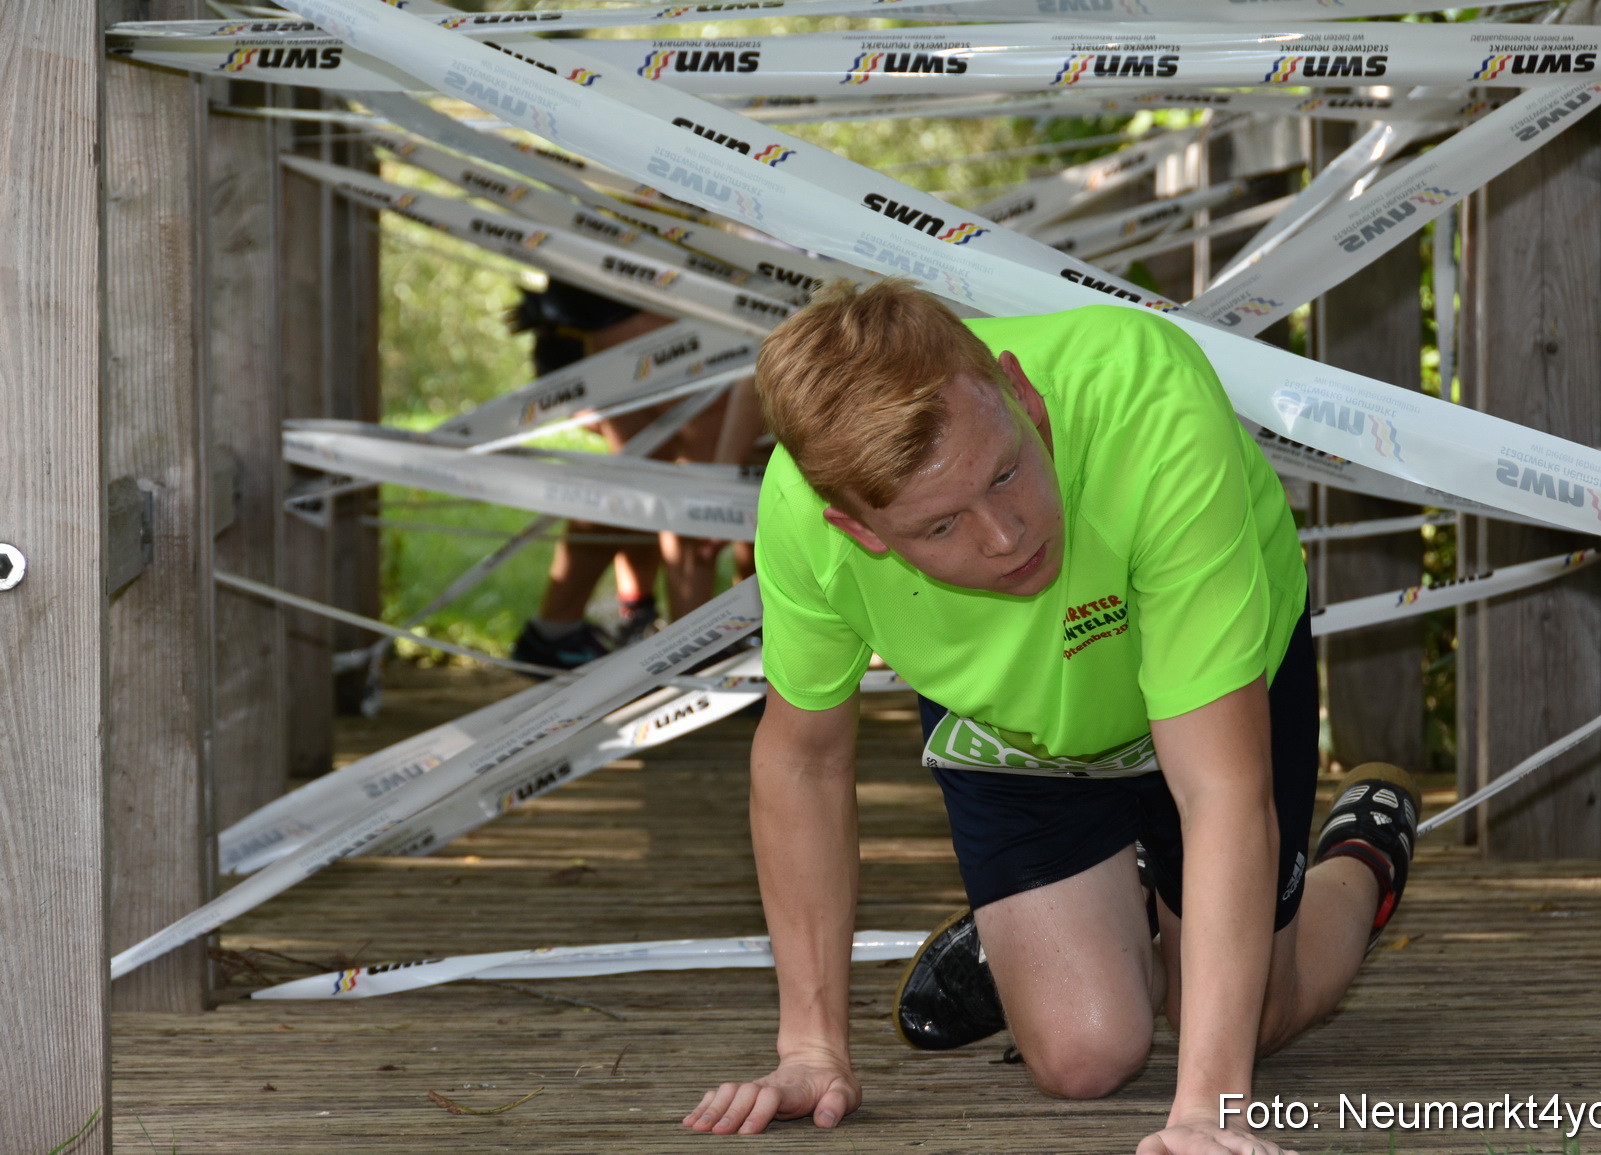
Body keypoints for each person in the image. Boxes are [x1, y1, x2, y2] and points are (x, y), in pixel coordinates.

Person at [682, 280, 1419, 1155]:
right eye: (941, 526)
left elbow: (1221, 791)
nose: (1006, 536)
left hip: (1201, 692)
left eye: (1006, 471)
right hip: (1016, 721)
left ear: (1021, 394)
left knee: (1247, 1017)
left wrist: (1210, 1111)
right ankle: (1110, 920)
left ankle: (1361, 856)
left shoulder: (1147, 399)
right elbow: (802, 762)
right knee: (1085, 1055)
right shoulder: (804, 516)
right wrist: (811, 1048)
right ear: (862, 531)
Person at [508, 281, 761, 670]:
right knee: (700, 475)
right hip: (615, 300)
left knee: (647, 468)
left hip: (600, 302)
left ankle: (560, 631)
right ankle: (696, 654)